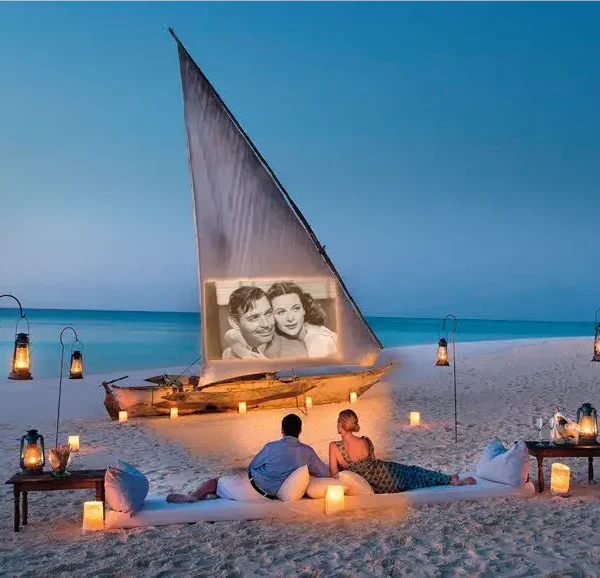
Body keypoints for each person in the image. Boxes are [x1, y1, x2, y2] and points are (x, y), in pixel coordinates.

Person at [166, 414, 329, 503]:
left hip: (253, 489)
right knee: (226, 485)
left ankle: (193, 497)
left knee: (216, 482)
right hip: (271, 494)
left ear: (282, 430)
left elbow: (253, 466)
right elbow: (324, 473)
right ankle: (215, 493)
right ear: (300, 431)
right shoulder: (307, 452)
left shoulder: (271, 447)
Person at [329, 410, 476, 493]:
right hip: (387, 473)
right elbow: (373, 461)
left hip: (380, 486)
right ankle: (449, 479)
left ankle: (449, 479)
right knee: (414, 472)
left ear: (341, 425)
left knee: (413, 476)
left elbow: (334, 475)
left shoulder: (334, 447)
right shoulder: (365, 441)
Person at [225, 281, 338, 359]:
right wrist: (244, 353)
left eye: (296, 309)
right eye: (281, 312)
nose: (290, 318)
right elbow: (231, 334)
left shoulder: (318, 341)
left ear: (304, 309)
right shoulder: (277, 331)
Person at [221, 286, 306, 360]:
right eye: (254, 318)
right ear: (235, 323)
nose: (266, 324)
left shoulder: (296, 352)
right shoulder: (229, 355)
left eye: (268, 313)